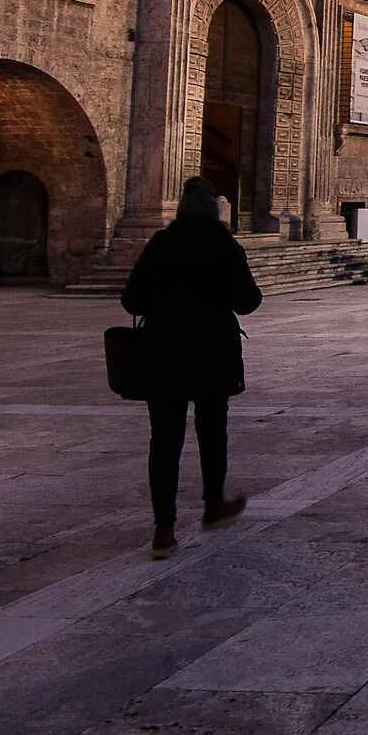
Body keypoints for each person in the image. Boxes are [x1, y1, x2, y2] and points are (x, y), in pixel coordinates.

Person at [121, 178, 260, 559]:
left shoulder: (160, 245)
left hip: (163, 356)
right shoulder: (224, 246)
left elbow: (131, 300)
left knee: (164, 443)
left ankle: (163, 529)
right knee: (213, 433)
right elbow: (248, 301)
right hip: (213, 357)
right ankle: (213, 505)